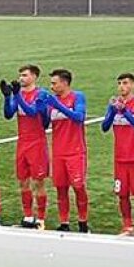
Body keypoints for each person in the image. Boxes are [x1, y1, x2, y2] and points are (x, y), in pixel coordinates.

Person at [38, 68, 90, 233]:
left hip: (75, 151)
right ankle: (64, 222)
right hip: (58, 151)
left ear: (64, 83)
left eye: (54, 83)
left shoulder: (77, 97)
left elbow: (79, 117)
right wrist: (41, 109)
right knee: (61, 188)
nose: (52, 86)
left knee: (78, 186)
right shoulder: (52, 101)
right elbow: (45, 124)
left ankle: (83, 222)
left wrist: (58, 105)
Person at [1, 64, 50, 229]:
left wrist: (17, 96)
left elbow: (32, 111)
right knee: (23, 181)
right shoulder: (18, 93)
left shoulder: (41, 94)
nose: (21, 78)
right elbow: (9, 114)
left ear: (34, 77)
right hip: (22, 142)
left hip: (37, 142)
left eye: (25, 75)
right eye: (20, 75)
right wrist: (8, 97)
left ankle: (41, 218)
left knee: (38, 181)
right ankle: (28, 216)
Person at [101, 73, 134, 237]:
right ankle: (127, 225)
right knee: (122, 194)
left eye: (125, 83)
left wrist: (125, 111)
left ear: (133, 85)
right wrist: (113, 111)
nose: (122, 86)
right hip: (120, 158)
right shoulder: (115, 105)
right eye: (120, 83)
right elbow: (105, 127)